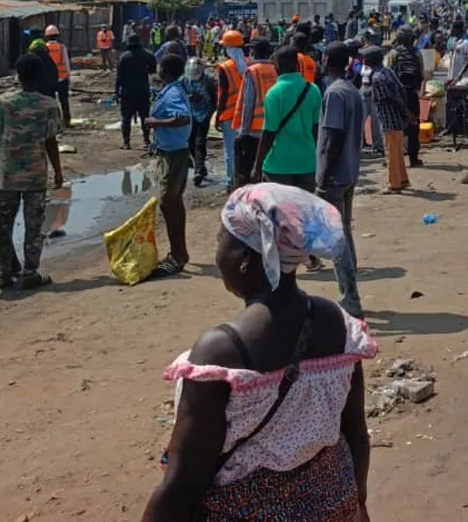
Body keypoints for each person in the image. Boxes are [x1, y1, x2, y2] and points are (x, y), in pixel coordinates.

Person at [141, 184, 375, 522]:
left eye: (223, 238)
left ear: (248, 258)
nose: (217, 252)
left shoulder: (222, 350)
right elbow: (355, 432)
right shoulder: (337, 323)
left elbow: (182, 483)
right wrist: (357, 503)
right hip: (332, 499)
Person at [0, 53, 64, 290]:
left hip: (7, 175)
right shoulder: (49, 105)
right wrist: (58, 173)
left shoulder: (3, 103)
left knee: (2, 225)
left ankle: (3, 273)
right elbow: (51, 142)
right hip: (35, 175)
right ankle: (30, 271)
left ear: (17, 75)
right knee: (34, 225)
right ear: (40, 76)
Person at [315, 42, 364, 318]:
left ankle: (350, 297)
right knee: (344, 231)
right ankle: (350, 290)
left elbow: (332, 137)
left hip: (335, 174)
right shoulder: (351, 91)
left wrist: (323, 175)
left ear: (326, 59)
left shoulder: (334, 93)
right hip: (350, 171)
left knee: (337, 238)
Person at [250, 45, 323, 197]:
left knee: (280, 215)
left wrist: (257, 166)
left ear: (276, 66)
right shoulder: (313, 90)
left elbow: (268, 133)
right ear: (297, 65)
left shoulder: (274, 94)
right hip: (307, 162)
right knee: (304, 213)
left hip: (278, 165)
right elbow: (317, 129)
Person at [145, 54, 193, 278]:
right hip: (172, 152)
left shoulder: (173, 92)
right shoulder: (171, 90)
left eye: (160, 67)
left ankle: (176, 254)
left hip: (173, 154)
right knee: (174, 202)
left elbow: (183, 118)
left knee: (168, 202)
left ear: (166, 70)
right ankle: (179, 252)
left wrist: (155, 122)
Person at [364, 45, 412, 192]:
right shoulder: (387, 71)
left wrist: (404, 111)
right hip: (396, 118)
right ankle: (402, 179)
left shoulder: (377, 77)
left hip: (388, 118)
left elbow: (390, 98)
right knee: (397, 151)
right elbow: (401, 89)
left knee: (390, 152)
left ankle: (394, 184)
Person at [232, 39, 279, 189]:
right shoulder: (276, 69)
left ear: (255, 52)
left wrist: (243, 132)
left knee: (249, 176)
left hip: (254, 131)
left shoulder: (252, 71)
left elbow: (248, 103)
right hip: (273, 129)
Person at [215, 31, 247, 192]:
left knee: (230, 150)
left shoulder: (224, 67)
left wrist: (218, 115)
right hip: (246, 113)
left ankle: (231, 184)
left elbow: (223, 94)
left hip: (229, 114)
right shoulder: (248, 64)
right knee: (245, 150)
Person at [390, 27, 425, 168]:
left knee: (396, 127)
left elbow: (390, 74)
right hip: (412, 94)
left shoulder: (394, 53)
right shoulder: (417, 53)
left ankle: (397, 159)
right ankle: (414, 158)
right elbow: (422, 74)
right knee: (414, 126)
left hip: (398, 95)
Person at [181, 57, 218, 187]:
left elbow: (214, 100)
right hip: (190, 115)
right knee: (190, 142)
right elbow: (178, 95)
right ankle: (201, 167)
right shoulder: (184, 81)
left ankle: (198, 171)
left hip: (204, 115)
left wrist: (210, 113)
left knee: (200, 142)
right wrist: (188, 98)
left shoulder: (209, 81)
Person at [116, 33, 155, 150]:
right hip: (143, 90)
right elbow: (153, 70)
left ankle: (126, 143)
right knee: (145, 117)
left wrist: (116, 91)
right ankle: (147, 141)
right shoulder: (147, 55)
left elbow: (119, 77)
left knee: (126, 118)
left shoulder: (124, 57)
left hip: (127, 92)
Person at [43, 24, 72, 127]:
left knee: (52, 102)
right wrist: (69, 77)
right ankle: (67, 121)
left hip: (50, 79)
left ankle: (55, 122)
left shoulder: (45, 48)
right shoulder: (61, 47)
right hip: (62, 78)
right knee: (64, 101)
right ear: (57, 36)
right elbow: (66, 62)